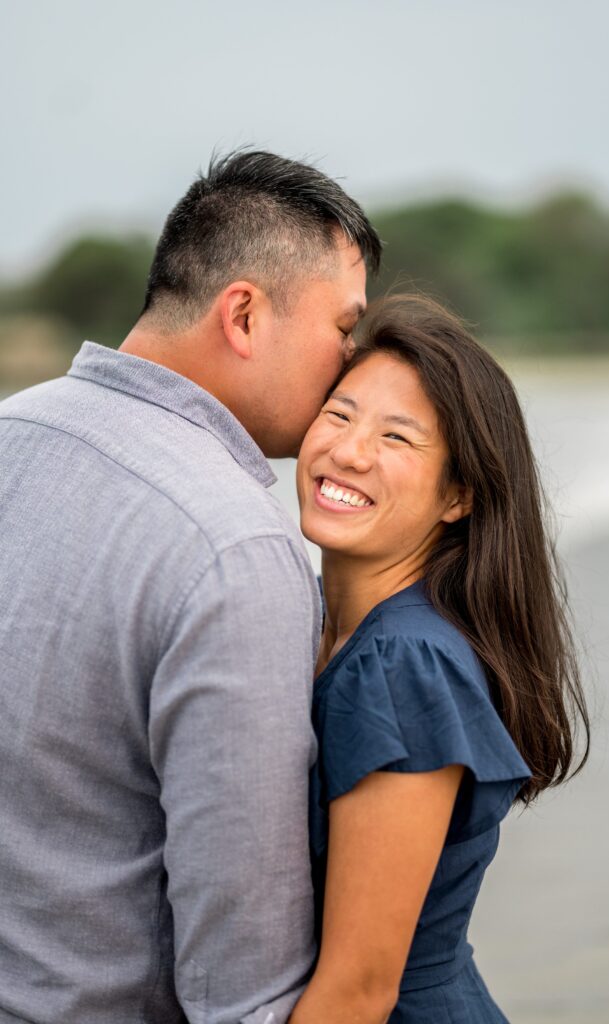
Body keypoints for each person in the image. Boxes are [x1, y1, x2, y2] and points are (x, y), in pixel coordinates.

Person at [0, 150, 381, 1024]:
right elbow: (243, 989)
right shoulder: (232, 546)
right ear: (243, 313)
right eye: (341, 328)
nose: (349, 363)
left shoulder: (9, 430)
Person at [291, 294, 590, 1023]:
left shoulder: (399, 666)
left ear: (457, 495)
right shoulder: (320, 625)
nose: (349, 451)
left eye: (397, 438)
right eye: (338, 414)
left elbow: (358, 990)